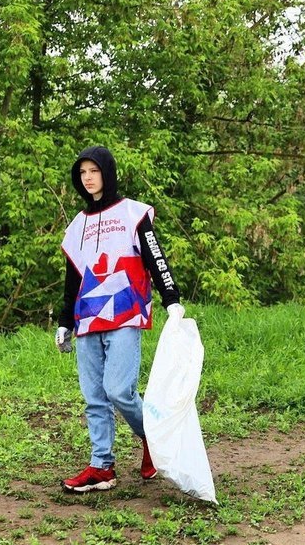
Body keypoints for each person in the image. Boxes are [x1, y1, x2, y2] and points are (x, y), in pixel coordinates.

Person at [54, 146, 185, 493]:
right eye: (82, 173)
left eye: (93, 171)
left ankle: (154, 441)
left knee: (119, 390)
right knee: (94, 396)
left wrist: (171, 298)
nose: (88, 178)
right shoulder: (77, 226)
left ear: (107, 173)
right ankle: (102, 467)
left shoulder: (133, 213)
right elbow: (73, 278)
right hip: (87, 321)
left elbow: (155, 256)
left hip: (126, 314)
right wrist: (65, 320)